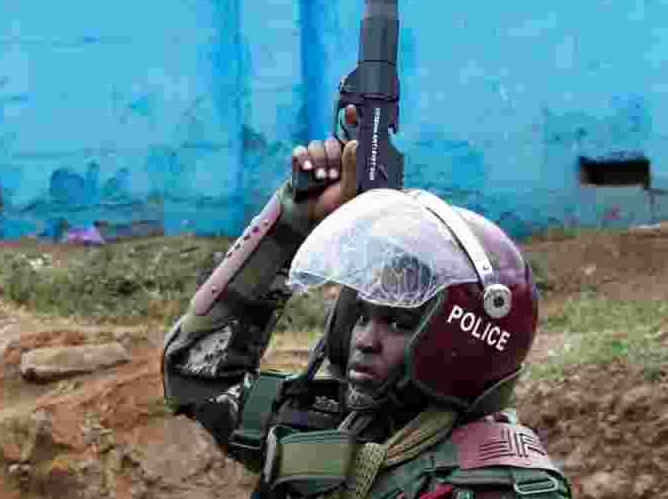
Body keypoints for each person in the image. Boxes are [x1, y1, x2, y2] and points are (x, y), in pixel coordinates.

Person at [162, 106, 572, 499]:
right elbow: (195, 373)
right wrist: (296, 219)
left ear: (460, 341)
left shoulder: (493, 485)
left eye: (397, 323)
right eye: (362, 316)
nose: (365, 340)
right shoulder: (335, 422)